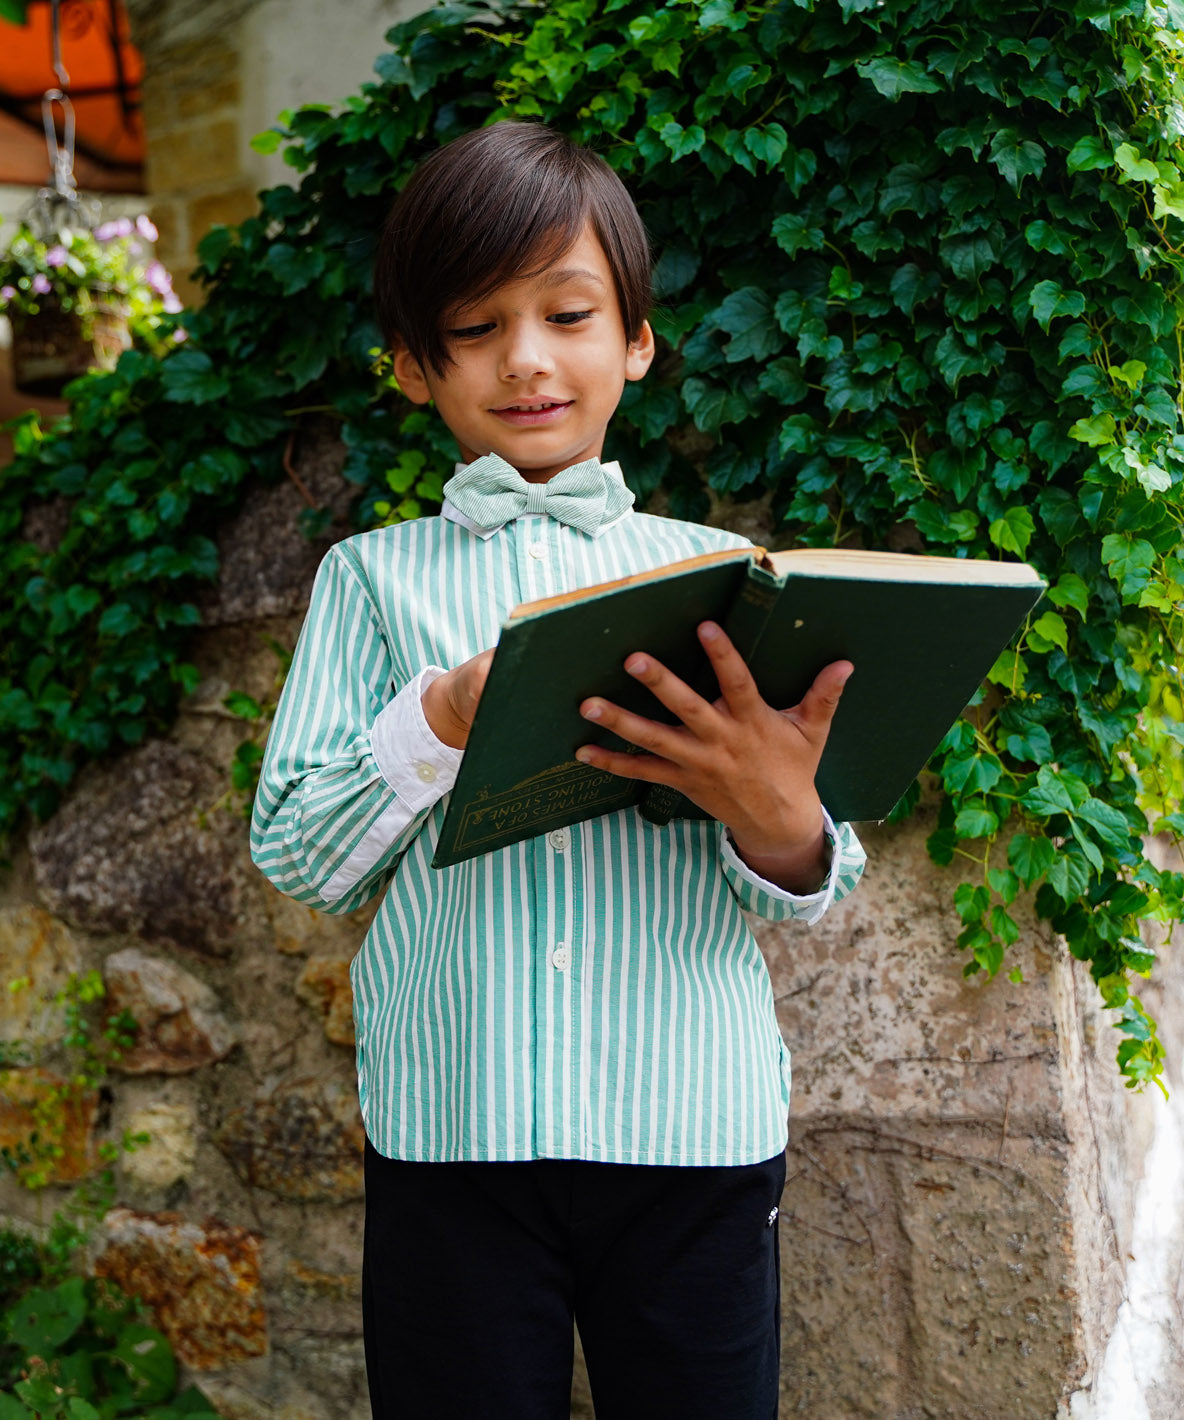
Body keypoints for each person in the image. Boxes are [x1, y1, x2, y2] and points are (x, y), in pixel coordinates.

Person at [250, 120, 866, 1420]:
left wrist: (781, 822)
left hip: (691, 1133)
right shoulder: (370, 583)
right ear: (416, 367)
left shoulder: (726, 576)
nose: (527, 358)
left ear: (635, 338)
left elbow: (811, 882)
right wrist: (441, 719)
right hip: (451, 1135)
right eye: (475, 328)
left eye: (569, 313)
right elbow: (299, 848)